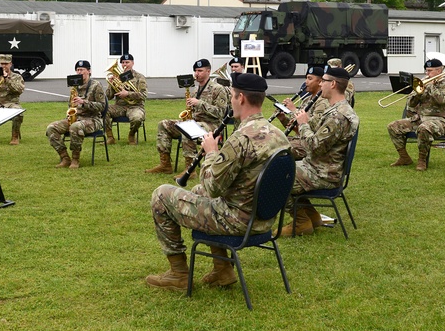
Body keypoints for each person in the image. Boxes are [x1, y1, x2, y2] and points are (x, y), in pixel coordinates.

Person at [147, 73, 290, 291]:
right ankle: (222, 269)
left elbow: (213, 187)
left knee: (161, 194)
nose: (231, 100)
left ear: (241, 98)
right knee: (196, 190)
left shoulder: (240, 139)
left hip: (236, 221)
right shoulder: (279, 135)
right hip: (263, 219)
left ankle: (178, 274)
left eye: (232, 96)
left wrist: (211, 153)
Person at [281, 65, 358, 237]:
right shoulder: (337, 109)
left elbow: (313, 146)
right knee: (280, 169)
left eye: (323, 81)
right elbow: (319, 130)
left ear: (333, 84)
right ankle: (312, 217)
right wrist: (302, 119)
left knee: (276, 177)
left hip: (323, 173)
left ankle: (301, 222)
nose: (320, 84)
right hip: (321, 167)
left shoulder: (338, 116)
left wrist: (302, 125)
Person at [146, 58, 229, 174]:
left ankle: (190, 169)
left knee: (188, 128)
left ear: (208, 71)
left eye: (200, 71)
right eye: (195, 71)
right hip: (196, 122)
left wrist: (199, 103)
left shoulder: (218, 89)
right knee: (163, 124)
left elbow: (220, 113)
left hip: (212, 126)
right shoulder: (196, 89)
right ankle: (165, 164)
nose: (197, 74)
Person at [388, 57, 445, 171]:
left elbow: (441, 100)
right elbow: (412, 104)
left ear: (438, 71)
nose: (426, 73)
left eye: (430, 71)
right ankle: (404, 157)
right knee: (393, 126)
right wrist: (418, 94)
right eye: (426, 70)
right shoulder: (423, 83)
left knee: (424, 128)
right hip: (419, 119)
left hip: (439, 121)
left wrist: (432, 86)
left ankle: (422, 160)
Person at [45, 60, 105, 169]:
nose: (79, 72)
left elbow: (102, 106)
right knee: (51, 128)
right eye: (77, 70)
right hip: (76, 117)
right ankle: (64, 157)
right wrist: (70, 111)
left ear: (89, 71)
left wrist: (84, 102)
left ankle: (75, 159)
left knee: (75, 127)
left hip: (93, 119)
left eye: (82, 70)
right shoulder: (75, 85)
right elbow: (71, 104)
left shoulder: (96, 85)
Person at [279, 65, 329, 159]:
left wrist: (293, 109)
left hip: (307, 145)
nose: (306, 82)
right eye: (306, 78)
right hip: (300, 139)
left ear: (319, 82)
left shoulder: (323, 102)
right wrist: (283, 119)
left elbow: (315, 127)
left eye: (310, 79)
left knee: (276, 149)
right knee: (273, 139)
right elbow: (297, 128)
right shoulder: (307, 100)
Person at [103, 52, 148, 145]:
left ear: (132, 63)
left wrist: (128, 93)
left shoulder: (140, 77)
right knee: (103, 109)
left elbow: (143, 95)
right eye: (122, 62)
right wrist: (111, 84)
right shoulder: (117, 77)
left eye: (127, 62)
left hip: (135, 106)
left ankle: (131, 135)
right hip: (120, 106)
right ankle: (110, 137)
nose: (124, 65)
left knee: (137, 118)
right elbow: (108, 97)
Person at [0, 54, 25, 145]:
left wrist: (7, 79)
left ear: (10, 64)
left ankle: (15, 136)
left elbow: (19, 90)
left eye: (6, 64)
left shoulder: (17, 77)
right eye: (1, 64)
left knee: (19, 113)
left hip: (11, 103)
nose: (3, 66)